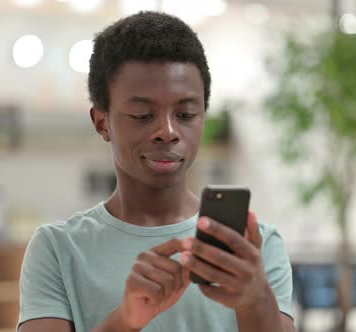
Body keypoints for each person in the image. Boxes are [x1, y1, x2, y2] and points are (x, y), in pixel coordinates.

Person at [18, 11, 294, 332]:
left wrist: (255, 300)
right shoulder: (58, 249)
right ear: (102, 122)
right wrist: (125, 321)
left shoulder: (255, 248)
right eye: (142, 114)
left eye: (186, 114)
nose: (167, 131)